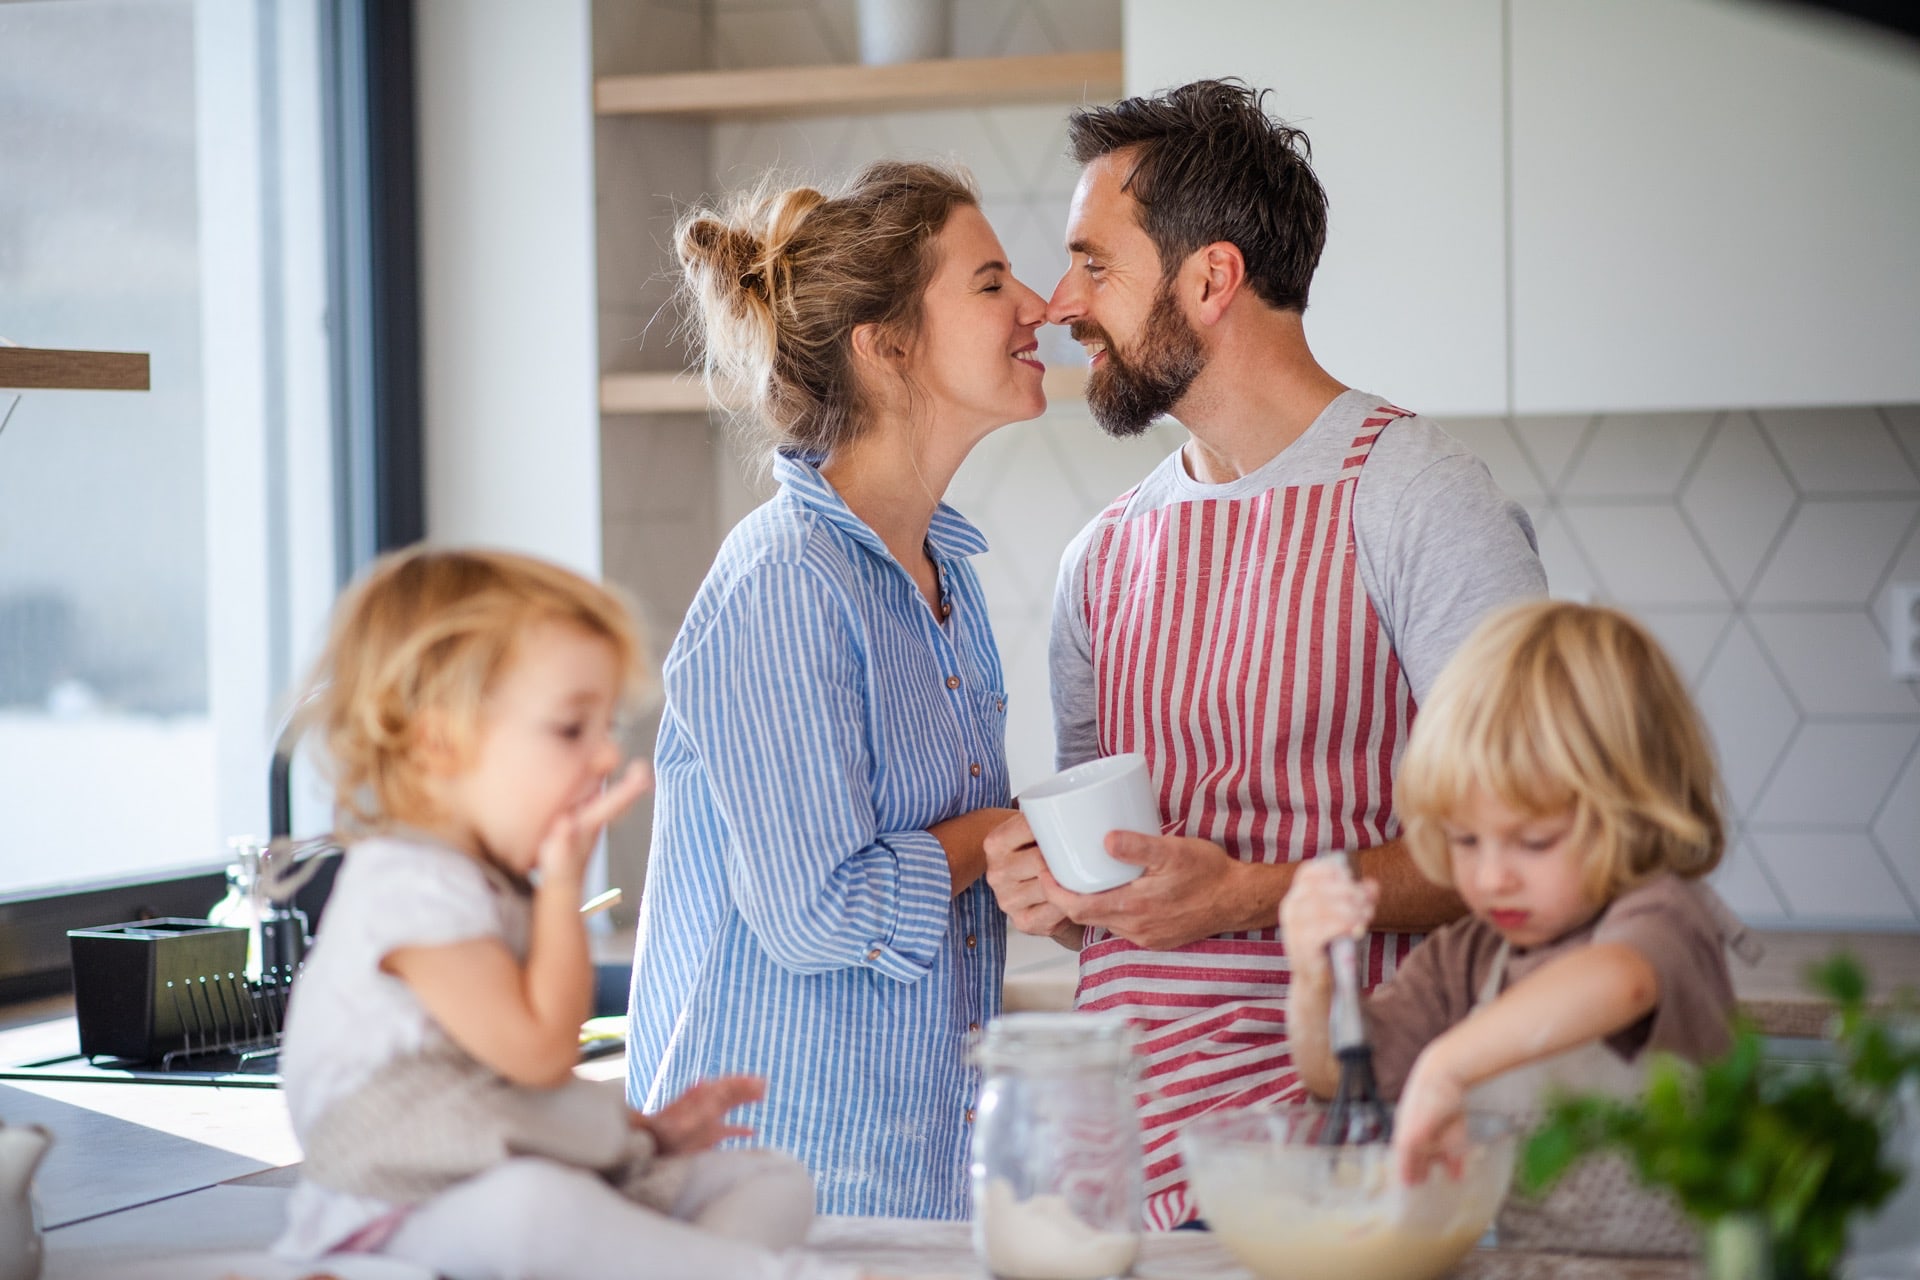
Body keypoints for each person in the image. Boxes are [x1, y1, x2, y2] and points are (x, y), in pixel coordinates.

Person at [981, 79, 1549, 1227]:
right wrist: (1047, 892)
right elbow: (1108, 889)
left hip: (1344, 1160)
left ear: (1210, 278)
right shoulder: (1103, 555)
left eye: (1096, 263)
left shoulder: (1418, 501)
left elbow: (1528, 850)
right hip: (1122, 1181)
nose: (1058, 302)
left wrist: (1249, 895)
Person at [625, 160, 1048, 1218]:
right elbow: (819, 910)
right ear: (887, 343)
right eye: (992, 282)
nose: (1036, 305)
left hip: (907, 1180)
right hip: (778, 1191)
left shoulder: (945, 575)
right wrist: (993, 833)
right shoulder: (785, 583)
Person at [274, 547, 862, 1280]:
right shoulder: (405, 886)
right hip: (396, 1214)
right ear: (438, 740)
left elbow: (505, 1094)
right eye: (570, 729)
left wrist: (641, 1131)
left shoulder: (482, 881)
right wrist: (561, 888)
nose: (606, 754)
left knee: (769, 1178)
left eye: (606, 726)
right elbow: (538, 1051)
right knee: (537, 1211)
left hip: (486, 1168)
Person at [1282, 599, 1755, 1249]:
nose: (1493, 876)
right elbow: (1338, 1075)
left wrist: (1446, 1066)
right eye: (1466, 840)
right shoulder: (1470, 957)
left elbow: (1619, 983)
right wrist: (1313, 984)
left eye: (1533, 842)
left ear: (1637, 814)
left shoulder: (1662, 916)